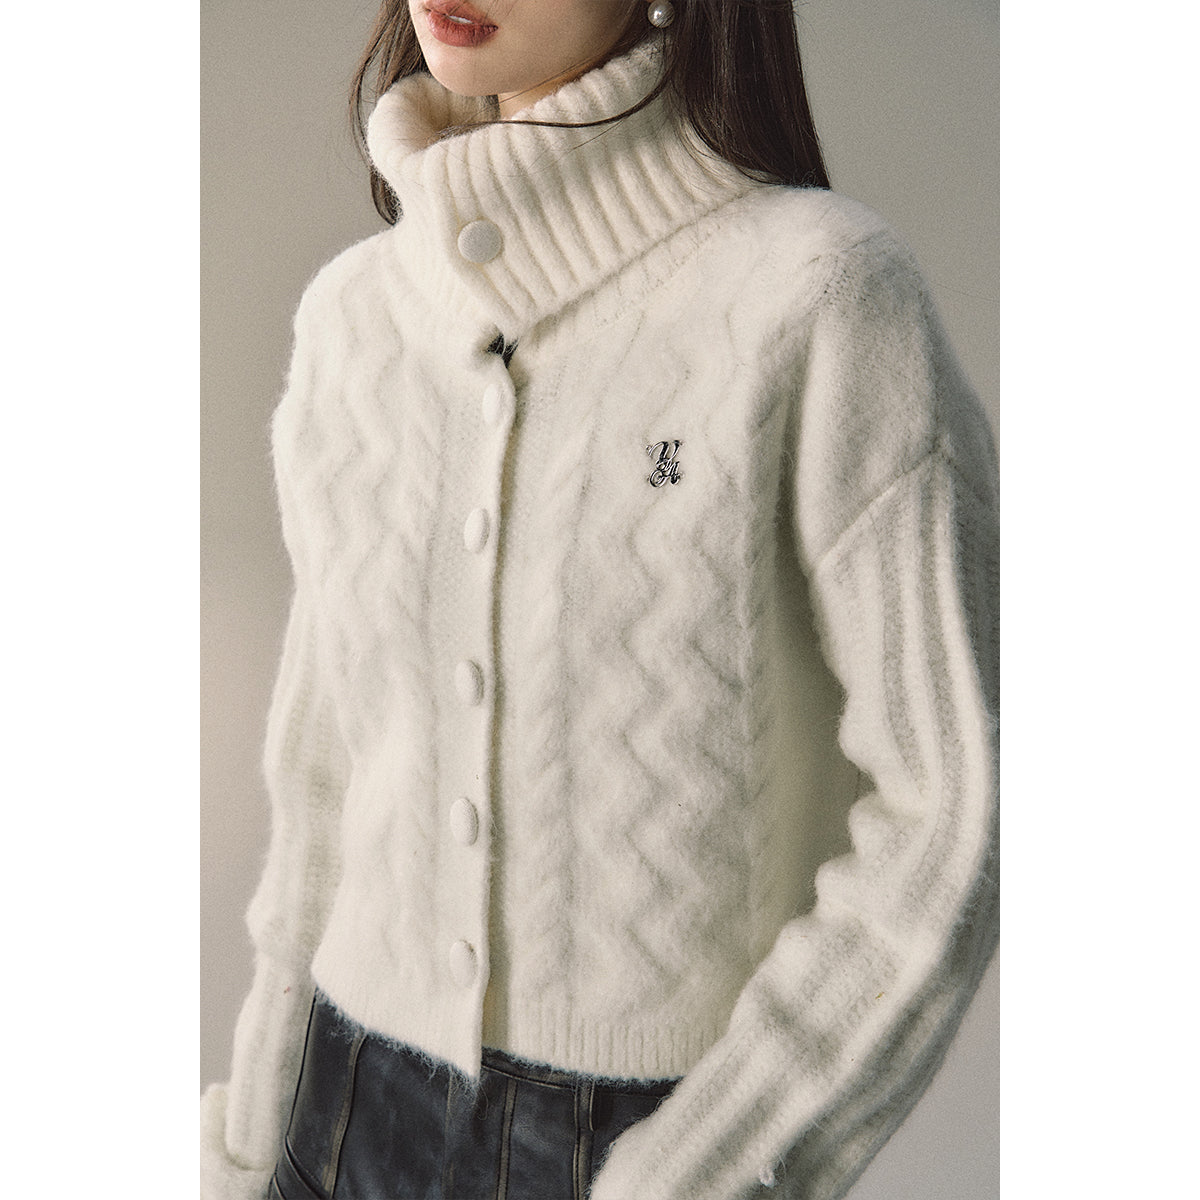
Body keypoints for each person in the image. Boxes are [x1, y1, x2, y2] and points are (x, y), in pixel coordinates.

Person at [200, 0, 999, 1197]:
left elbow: (957, 806)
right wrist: (245, 1149)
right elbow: (323, 781)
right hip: (334, 1111)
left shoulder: (819, 297)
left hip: (638, 1147)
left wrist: (714, 1166)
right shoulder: (351, 322)